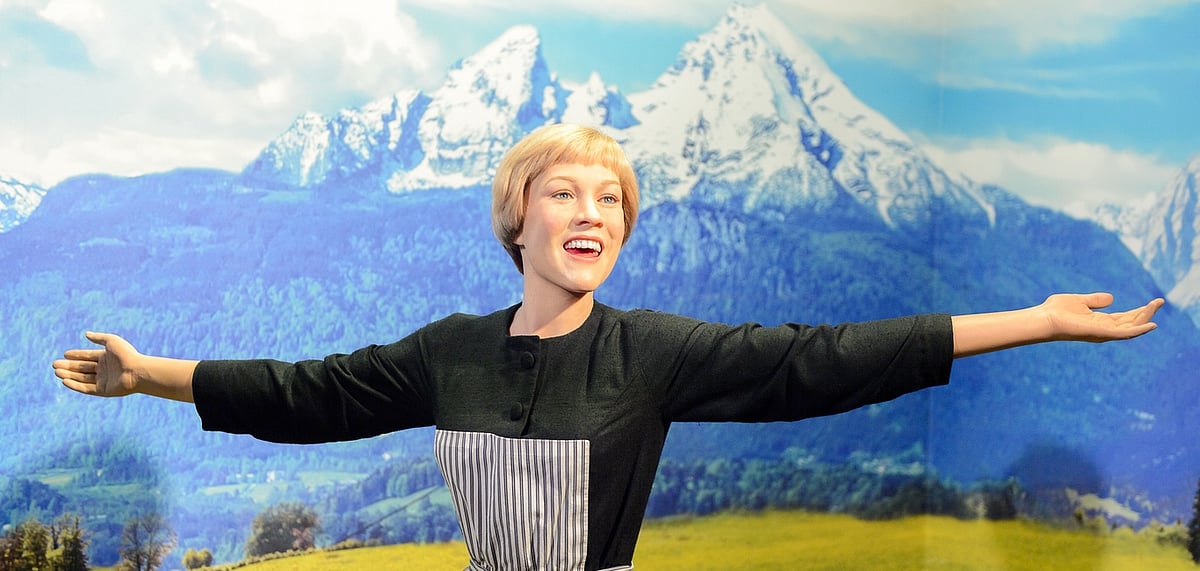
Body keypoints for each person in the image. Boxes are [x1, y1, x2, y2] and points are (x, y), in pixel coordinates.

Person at [53, 123, 1163, 571]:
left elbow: (827, 356)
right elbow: (311, 391)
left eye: (613, 202)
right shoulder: (451, 352)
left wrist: (1040, 321)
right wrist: (147, 372)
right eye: (566, 193)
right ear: (516, 216)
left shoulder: (655, 351)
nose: (592, 214)